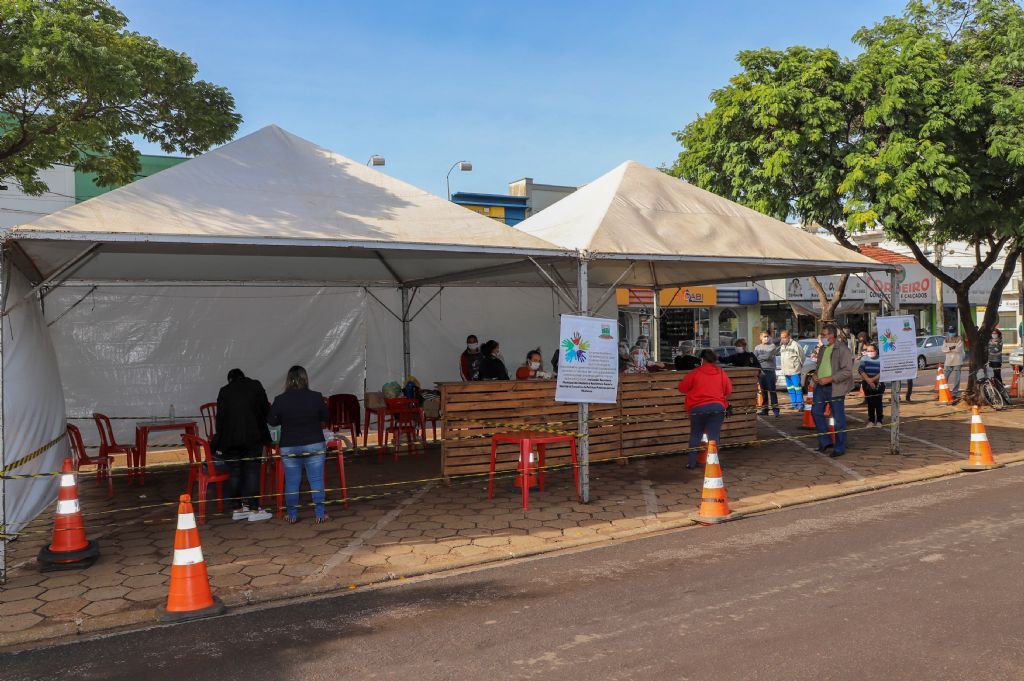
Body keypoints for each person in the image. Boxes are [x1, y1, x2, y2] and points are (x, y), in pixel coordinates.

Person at [267, 365, 330, 524]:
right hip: (314, 443)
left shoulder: (280, 399)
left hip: (289, 445)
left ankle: (292, 514)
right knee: (316, 480)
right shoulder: (316, 397)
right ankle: (320, 514)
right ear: (305, 379)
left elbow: (271, 421)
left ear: (288, 380)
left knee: (292, 481)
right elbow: (326, 416)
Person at [214, 368, 273, 522]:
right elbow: (266, 411)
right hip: (253, 437)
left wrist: (218, 443)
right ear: (243, 376)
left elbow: (220, 420)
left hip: (231, 439)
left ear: (230, 380)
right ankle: (254, 510)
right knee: (252, 471)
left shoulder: (224, 391)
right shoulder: (255, 385)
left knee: (235, 472)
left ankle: (238, 509)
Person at [678, 349, 732, 470]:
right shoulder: (721, 372)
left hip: (698, 408)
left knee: (695, 435)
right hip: (717, 407)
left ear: (702, 359)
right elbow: (728, 390)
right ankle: (714, 464)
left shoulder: (695, 372)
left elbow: (682, 388)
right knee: (714, 436)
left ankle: (691, 463)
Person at [811, 324, 855, 457]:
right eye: (821, 335)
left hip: (835, 387)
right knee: (816, 412)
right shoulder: (823, 349)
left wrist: (830, 379)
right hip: (820, 386)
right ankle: (825, 442)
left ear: (832, 335)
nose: (822, 337)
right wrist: (815, 375)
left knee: (838, 418)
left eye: (824, 335)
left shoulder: (842, 349)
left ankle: (839, 447)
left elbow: (847, 371)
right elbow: (819, 366)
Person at [753, 332, 781, 417]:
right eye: (764, 336)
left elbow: (768, 356)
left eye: (767, 336)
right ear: (760, 337)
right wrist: (760, 358)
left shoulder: (772, 346)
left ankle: (776, 410)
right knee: (763, 392)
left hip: (770, 371)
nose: (766, 338)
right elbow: (754, 358)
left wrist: (759, 357)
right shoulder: (757, 347)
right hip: (761, 371)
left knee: (772, 391)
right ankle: (765, 410)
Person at [858, 344, 885, 427]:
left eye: (871, 351)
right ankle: (871, 420)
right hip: (867, 383)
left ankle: (879, 420)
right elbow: (861, 370)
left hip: (879, 383)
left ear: (876, 351)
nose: (870, 353)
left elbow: (883, 370)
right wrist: (869, 381)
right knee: (870, 402)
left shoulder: (881, 359)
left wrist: (873, 380)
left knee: (878, 402)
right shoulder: (864, 359)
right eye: (868, 351)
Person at [778, 330, 806, 410]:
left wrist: (798, 366)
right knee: (790, 388)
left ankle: (800, 405)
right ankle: (794, 404)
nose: (783, 339)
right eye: (781, 338)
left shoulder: (795, 345)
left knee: (797, 388)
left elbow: (802, 357)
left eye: (784, 337)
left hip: (794, 371)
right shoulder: (782, 346)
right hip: (786, 371)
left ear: (789, 337)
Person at [942, 330, 965, 399]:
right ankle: (944, 392)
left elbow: (958, 349)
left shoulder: (959, 338)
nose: (951, 333)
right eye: (950, 331)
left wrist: (948, 349)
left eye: (952, 331)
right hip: (948, 361)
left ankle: (954, 393)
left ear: (956, 332)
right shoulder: (946, 339)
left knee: (956, 379)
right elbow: (943, 349)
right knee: (944, 378)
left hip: (957, 361)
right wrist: (951, 348)